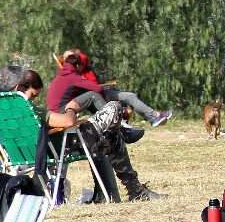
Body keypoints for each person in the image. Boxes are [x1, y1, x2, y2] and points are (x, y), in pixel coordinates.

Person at [20, 70, 164, 202]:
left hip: (45, 149)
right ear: (22, 87)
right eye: (33, 95)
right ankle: (135, 188)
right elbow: (68, 121)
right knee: (114, 107)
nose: (33, 99)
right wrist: (72, 108)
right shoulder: (30, 109)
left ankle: (131, 189)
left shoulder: (3, 116)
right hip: (65, 144)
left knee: (108, 135)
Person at [47, 51, 172, 127]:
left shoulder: (65, 73)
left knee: (129, 96)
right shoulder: (72, 75)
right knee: (95, 95)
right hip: (65, 111)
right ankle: (118, 122)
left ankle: (153, 117)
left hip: (83, 98)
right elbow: (95, 89)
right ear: (78, 65)